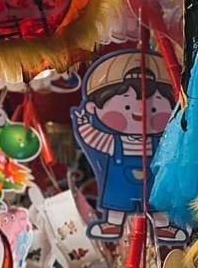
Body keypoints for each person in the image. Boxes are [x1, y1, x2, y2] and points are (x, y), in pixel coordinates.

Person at [72, 51, 185, 244]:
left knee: (157, 202)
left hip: (153, 182)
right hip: (120, 184)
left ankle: (162, 226)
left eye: (154, 109)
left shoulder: (162, 143)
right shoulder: (113, 142)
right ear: (93, 108)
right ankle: (113, 223)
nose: (140, 112)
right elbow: (94, 139)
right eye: (126, 107)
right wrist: (83, 122)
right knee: (117, 202)